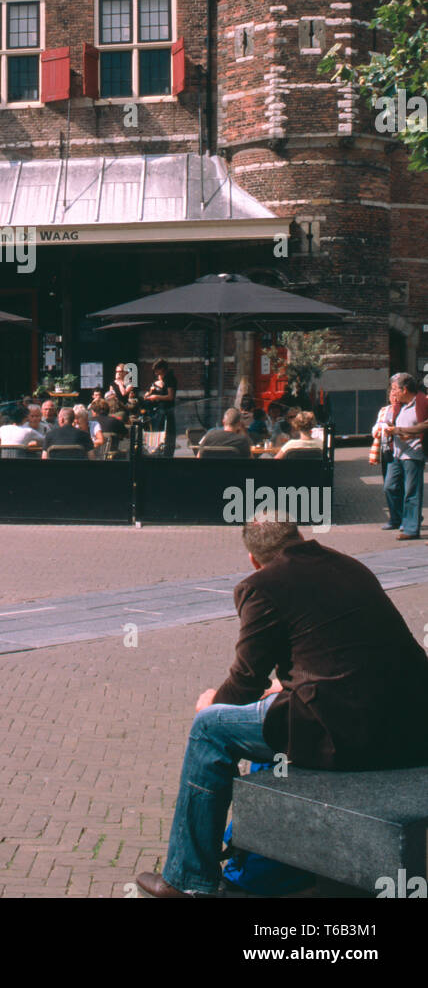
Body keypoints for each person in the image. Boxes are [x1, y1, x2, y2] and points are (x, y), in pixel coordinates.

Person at [135, 517, 428, 898]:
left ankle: (188, 880)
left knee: (209, 729)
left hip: (347, 733)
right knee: (272, 707)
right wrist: (283, 686)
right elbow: (342, 652)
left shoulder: (260, 586)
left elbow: (245, 682)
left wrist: (212, 703)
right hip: (410, 724)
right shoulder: (348, 566)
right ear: (298, 538)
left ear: (255, 559)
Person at [383, 372, 428, 540]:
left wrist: (401, 431)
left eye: (395, 389)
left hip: (413, 454)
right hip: (397, 453)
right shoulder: (399, 405)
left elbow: (425, 426)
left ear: (405, 389)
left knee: (411, 491)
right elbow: (392, 423)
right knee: (390, 487)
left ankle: (410, 529)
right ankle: (400, 518)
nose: (393, 392)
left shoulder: (423, 402)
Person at [143, 358, 177, 457]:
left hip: (165, 409)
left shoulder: (170, 379)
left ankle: (164, 451)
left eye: (158, 371)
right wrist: (150, 393)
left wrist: (156, 396)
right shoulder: (158, 381)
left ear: (162, 369)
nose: (157, 374)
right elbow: (148, 394)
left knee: (163, 430)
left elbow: (170, 396)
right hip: (156, 409)